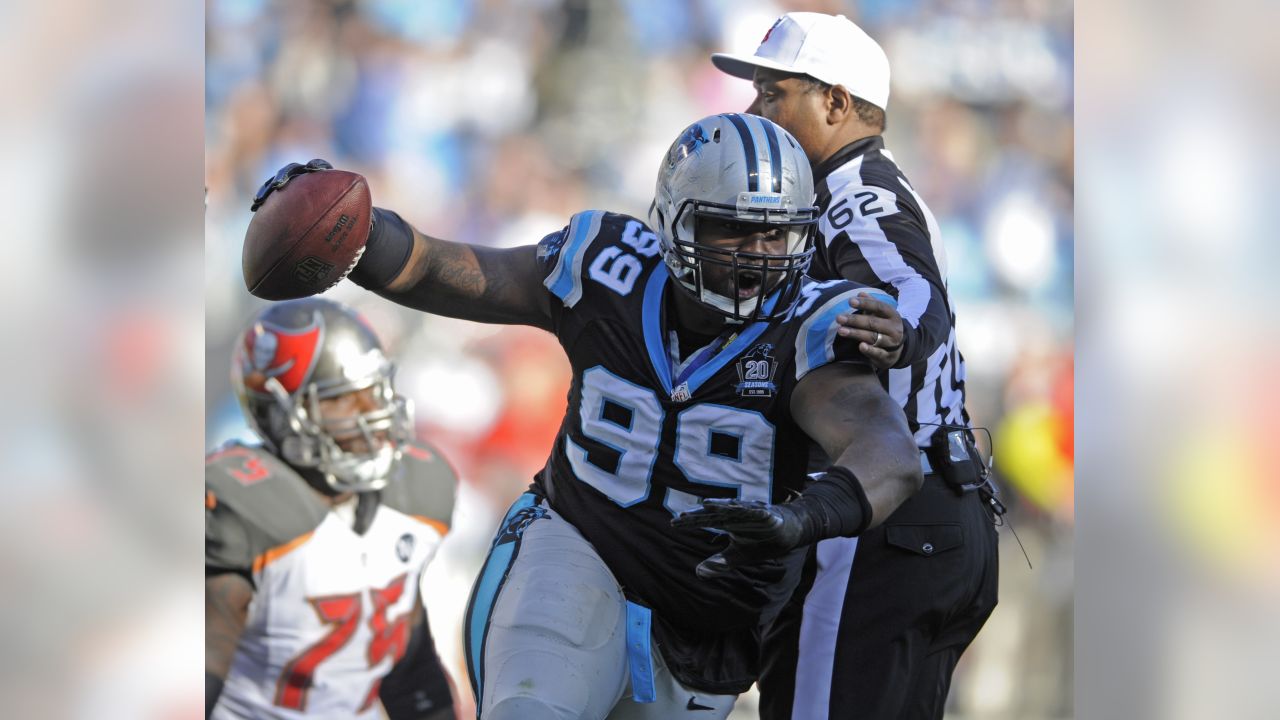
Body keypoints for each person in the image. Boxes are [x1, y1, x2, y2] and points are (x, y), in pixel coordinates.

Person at [249, 112, 923, 719]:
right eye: (735, 228)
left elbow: (888, 454)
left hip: (709, 631)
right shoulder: (605, 269)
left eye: (777, 233)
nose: (758, 254)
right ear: (675, 219)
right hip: (578, 551)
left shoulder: (814, 324)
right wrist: (361, 239)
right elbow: (448, 267)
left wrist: (804, 516)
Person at [711, 12, 1000, 719]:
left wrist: (902, 332)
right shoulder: (855, 189)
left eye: (775, 93)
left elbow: (908, 285)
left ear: (836, 102)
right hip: (940, 513)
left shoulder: (854, 192)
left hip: (882, 524)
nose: (756, 111)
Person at [205, 297, 461, 720]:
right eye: (345, 400)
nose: (373, 415)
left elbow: (408, 665)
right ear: (284, 413)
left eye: (375, 392)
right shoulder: (248, 511)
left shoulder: (413, 493)